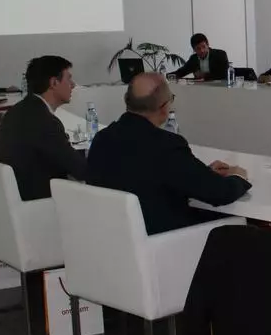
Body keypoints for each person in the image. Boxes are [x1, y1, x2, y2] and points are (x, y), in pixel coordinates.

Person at [86, 73, 252, 235]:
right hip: (166, 240)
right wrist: (239, 176)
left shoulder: (102, 139)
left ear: (126, 101)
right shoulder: (166, 145)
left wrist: (203, 172)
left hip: (113, 237)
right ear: (164, 108)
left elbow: (141, 175)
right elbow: (219, 193)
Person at [0, 55, 87, 200]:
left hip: (20, 193)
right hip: (43, 200)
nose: (73, 85)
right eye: (69, 79)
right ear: (54, 83)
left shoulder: (16, 111)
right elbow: (80, 170)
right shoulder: (45, 121)